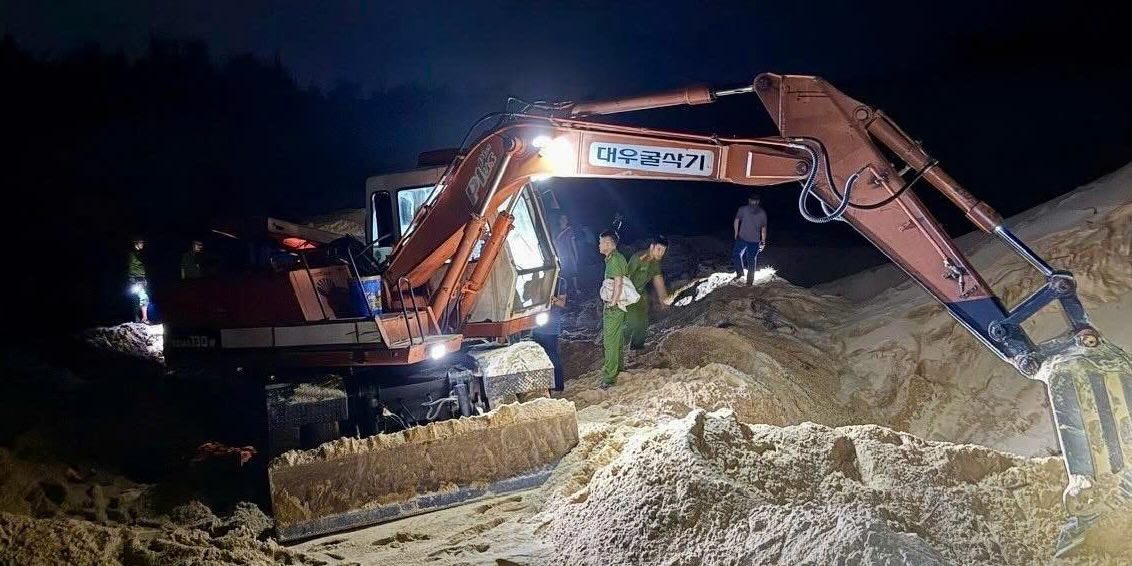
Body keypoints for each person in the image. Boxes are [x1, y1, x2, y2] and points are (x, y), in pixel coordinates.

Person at [625, 235, 671, 350]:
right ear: (652, 247)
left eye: (663, 251)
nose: (661, 253)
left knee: (643, 322)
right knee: (631, 321)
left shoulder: (655, 263)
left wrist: (664, 299)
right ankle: (617, 346)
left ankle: (637, 347)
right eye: (659, 249)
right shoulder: (639, 258)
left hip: (640, 293)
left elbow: (658, 281)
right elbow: (625, 277)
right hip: (628, 292)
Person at [598, 230, 628, 389]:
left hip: (614, 307)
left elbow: (618, 282)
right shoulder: (615, 258)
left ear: (608, 244)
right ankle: (619, 369)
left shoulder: (615, 260)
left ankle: (609, 378)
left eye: (601, 242)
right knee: (617, 339)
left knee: (610, 342)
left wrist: (613, 302)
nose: (599, 245)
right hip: (617, 306)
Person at [530, 287, 567, 395]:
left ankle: (558, 387)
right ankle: (543, 387)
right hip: (537, 326)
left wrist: (552, 299)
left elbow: (562, 303)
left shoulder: (561, 282)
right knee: (538, 357)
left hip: (551, 328)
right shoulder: (536, 280)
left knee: (552, 356)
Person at [732, 194, 768, 286]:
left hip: (751, 240)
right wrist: (763, 242)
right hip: (746, 239)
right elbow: (736, 220)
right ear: (749, 200)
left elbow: (763, 229)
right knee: (742, 256)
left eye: (755, 201)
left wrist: (763, 241)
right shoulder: (760, 212)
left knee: (748, 259)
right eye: (753, 200)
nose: (754, 202)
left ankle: (746, 279)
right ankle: (743, 276)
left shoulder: (759, 212)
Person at [554, 215, 580, 297]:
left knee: (573, 270)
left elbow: (573, 243)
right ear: (559, 220)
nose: (564, 220)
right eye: (562, 218)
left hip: (569, 253)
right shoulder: (557, 230)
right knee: (563, 272)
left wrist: (576, 254)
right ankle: (562, 291)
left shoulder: (570, 230)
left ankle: (576, 288)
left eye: (565, 218)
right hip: (561, 254)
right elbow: (555, 240)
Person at [128, 237, 150, 324]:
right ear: (136, 243)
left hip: (140, 278)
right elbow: (130, 267)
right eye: (140, 242)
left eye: (142, 242)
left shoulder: (140, 253)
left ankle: (139, 318)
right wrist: (132, 279)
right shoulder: (132, 254)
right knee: (143, 297)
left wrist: (144, 278)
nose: (142, 244)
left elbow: (142, 267)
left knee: (138, 299)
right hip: (135, 279)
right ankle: (143, 318)